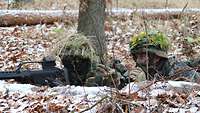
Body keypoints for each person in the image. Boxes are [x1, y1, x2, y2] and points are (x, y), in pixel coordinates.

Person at [129, 31, 200, 82]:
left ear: (157, 57)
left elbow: (189, 89)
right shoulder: (139, 70)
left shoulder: (178, 70)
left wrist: (145, 83)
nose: (138, 59)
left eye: (142, 55)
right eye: (136, 55)